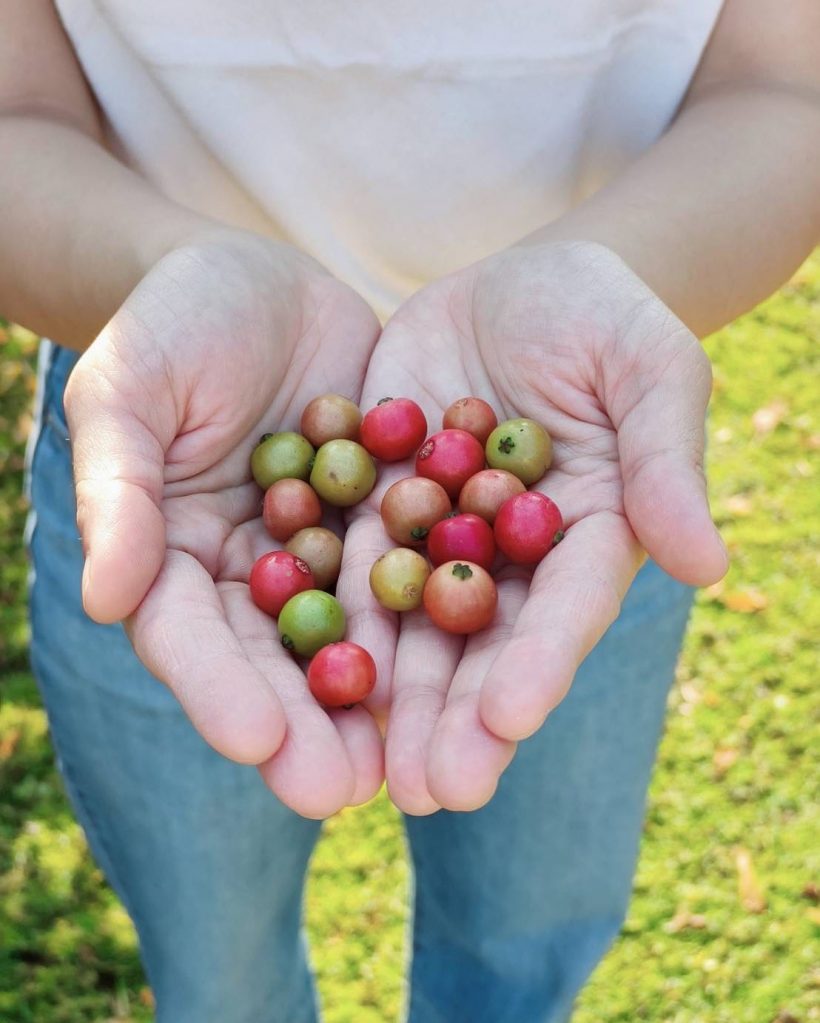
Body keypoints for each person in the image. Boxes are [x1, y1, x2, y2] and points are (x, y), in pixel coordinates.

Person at [2, 1, 818, 1020]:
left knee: (525, 939)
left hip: (576, 450)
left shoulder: (503, 497)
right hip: (178, 427)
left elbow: (782, 86)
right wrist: (155, 277)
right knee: (213, 961)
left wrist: (611, 276)